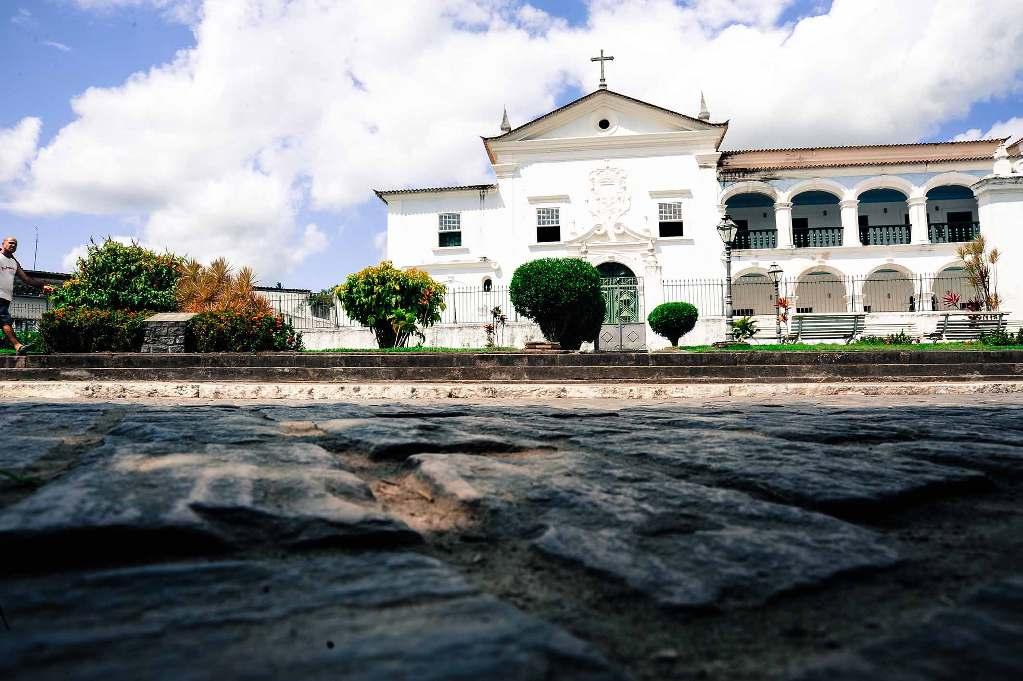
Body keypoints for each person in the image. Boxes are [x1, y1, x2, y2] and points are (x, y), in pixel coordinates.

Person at [1, 236, 54, 355]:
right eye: (10, 243)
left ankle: (17, 346)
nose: (13, 245)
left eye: (15, 244)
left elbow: (26, 279)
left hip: (6, 297)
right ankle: (17, 345)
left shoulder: (14, 263)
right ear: (3, 244)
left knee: (4, 320)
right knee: (5, 320)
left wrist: (42, 286)